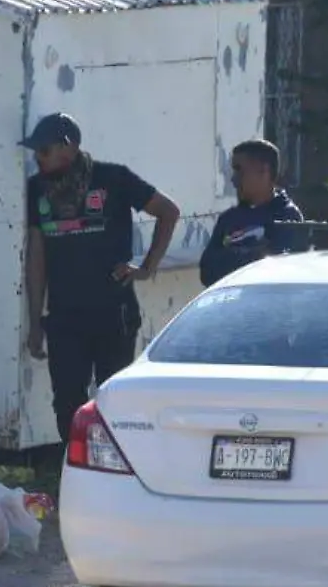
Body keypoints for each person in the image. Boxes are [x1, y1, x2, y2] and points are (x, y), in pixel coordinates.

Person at [20, 113, 181, 442]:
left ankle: (116, 472)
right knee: (67, 404)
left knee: (114, 402)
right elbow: (36, 258)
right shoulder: (36, 188)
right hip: (65, 316)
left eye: (44, 150)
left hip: (114, 311)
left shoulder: (112, 178)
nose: (37, 158)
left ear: (69, 148)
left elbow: (168, 211)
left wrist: (147, 267)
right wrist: (35, 321)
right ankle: (75, 470)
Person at [199, 139, 307, 288]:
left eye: (239, 170)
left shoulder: (287, 217)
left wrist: (230, 257)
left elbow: (279, 271)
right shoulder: (228, 219)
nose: (233, 179)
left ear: (263, 170)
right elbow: (207, 272)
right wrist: (253, 255)